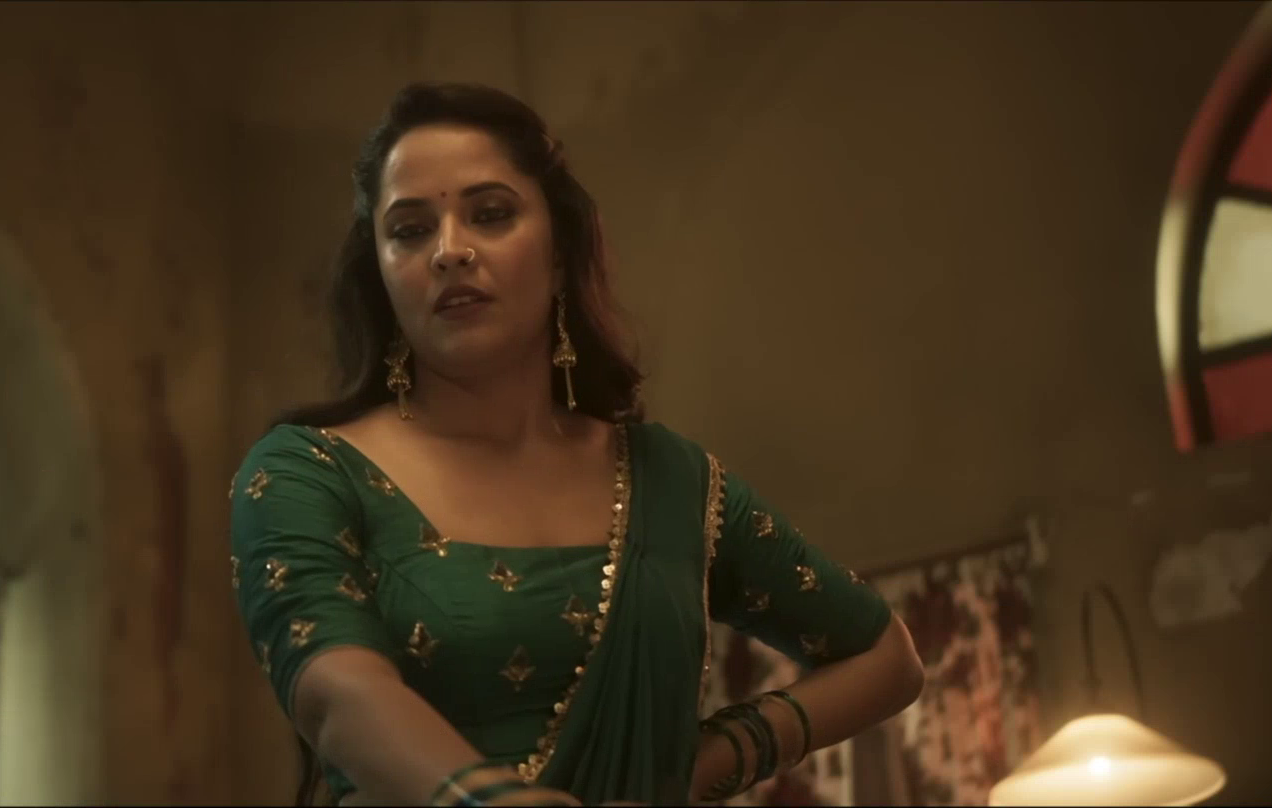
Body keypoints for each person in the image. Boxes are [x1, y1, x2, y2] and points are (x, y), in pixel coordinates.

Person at [227, 81, 925, 807]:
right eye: (409, 230)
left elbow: (887, 658)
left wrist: (699, 769)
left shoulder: (672, 483)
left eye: (490, 214)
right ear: (380, 274)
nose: (450, 251)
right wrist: (488, 801)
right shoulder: (307, 472)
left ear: (560, 252)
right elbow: (337, 693)